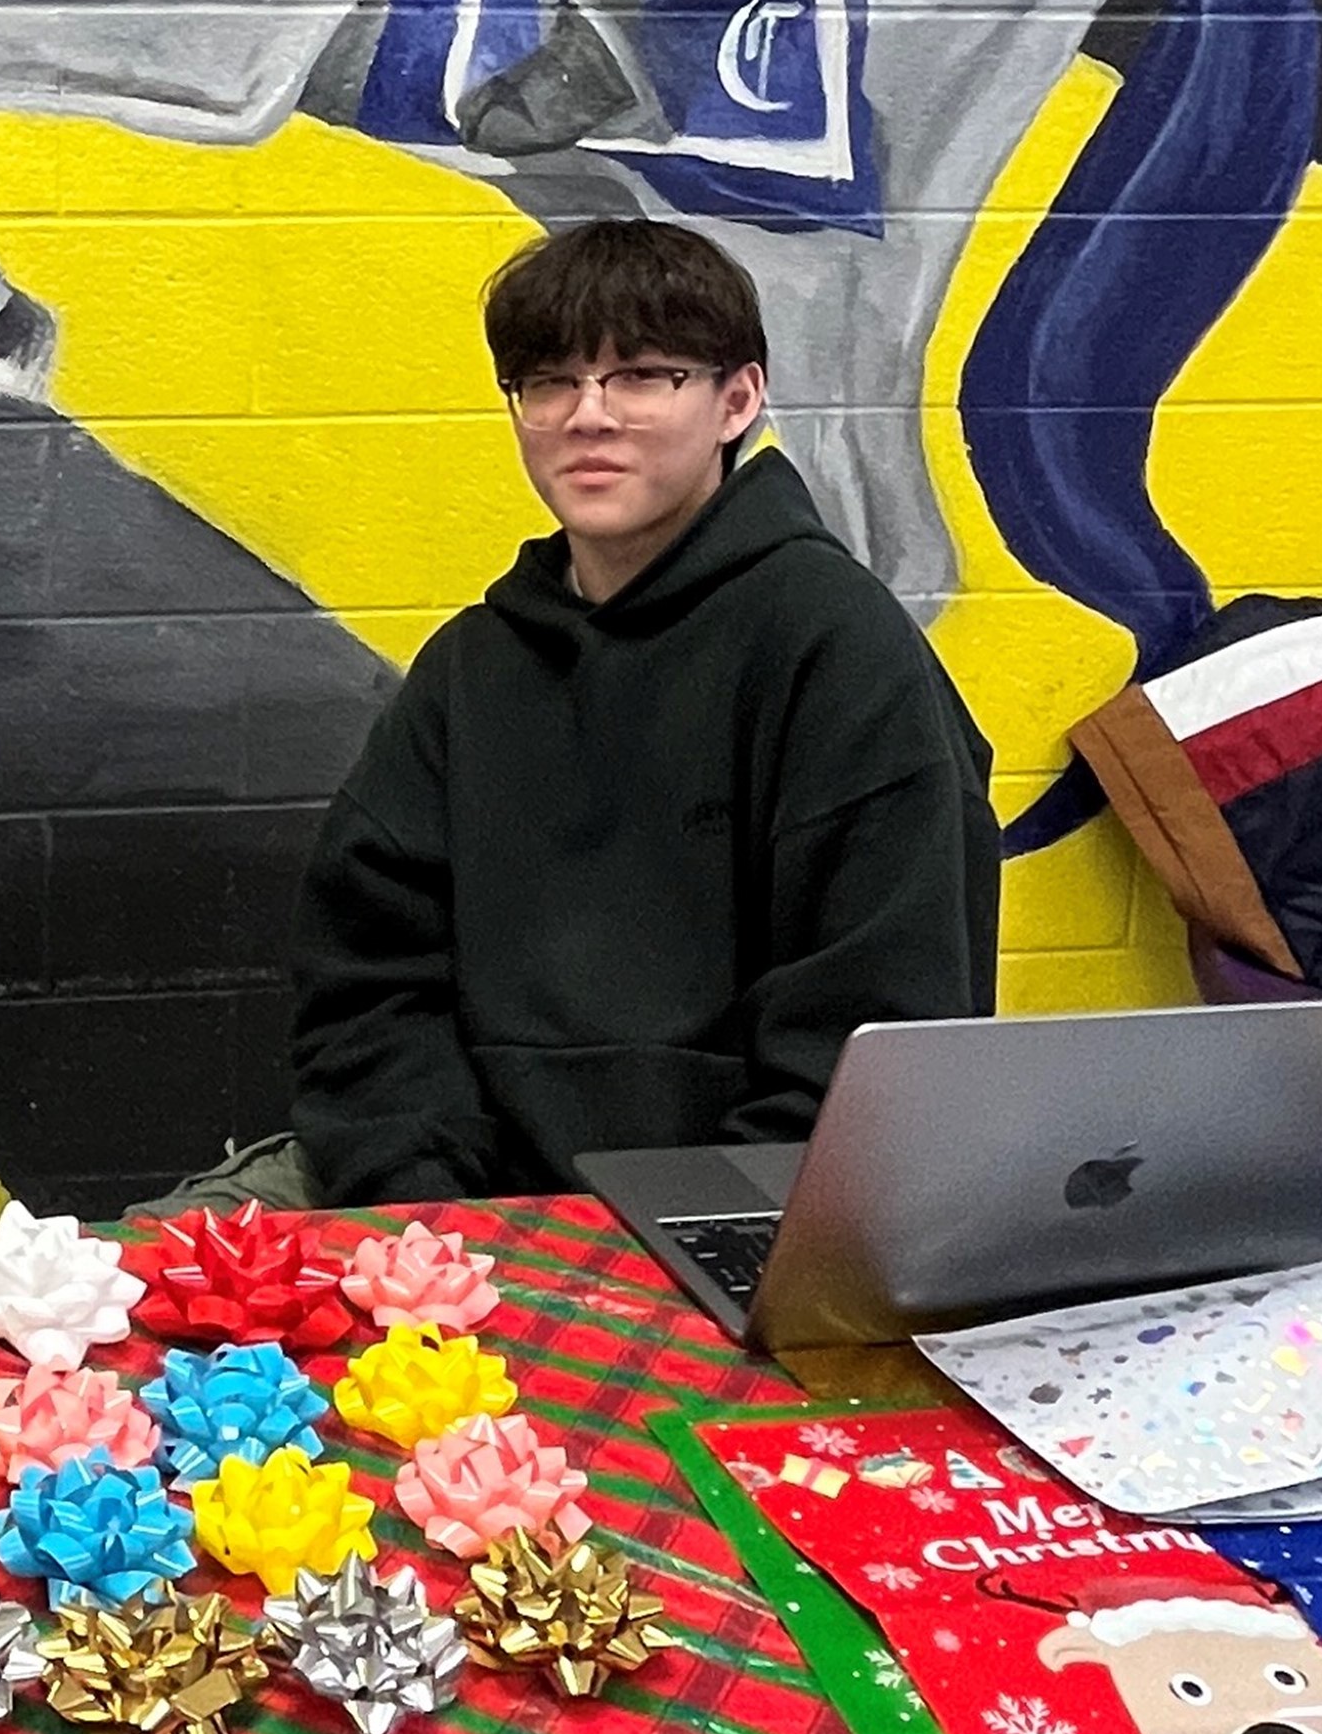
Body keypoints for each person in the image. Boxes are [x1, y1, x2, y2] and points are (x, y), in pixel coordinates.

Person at [285, 216, 995, 1195]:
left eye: (643, 376)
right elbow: (367, 983)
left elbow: (874, 1045)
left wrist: (698, 1235)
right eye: (551, 382)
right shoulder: (470, 669)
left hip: (738, 1221)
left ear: (737, 399)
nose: (588, 416)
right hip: (461, 1207)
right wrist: (424, 1207)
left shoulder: (837, 651)